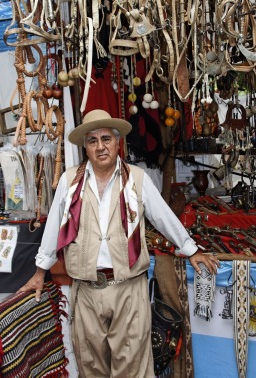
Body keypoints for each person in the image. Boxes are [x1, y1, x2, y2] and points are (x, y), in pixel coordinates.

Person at [18, 109, 219, 378]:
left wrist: (191, 250)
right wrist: (40, 272)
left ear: (117, 142)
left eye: (106, 139)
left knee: (133, 368)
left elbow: (163, 217)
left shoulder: (136, 178)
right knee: (91, 367)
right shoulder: (69, 182)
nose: (100, 146)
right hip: (86, 291)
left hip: (128, 289)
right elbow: (54, 227)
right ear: (86, 148)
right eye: (92, 141)